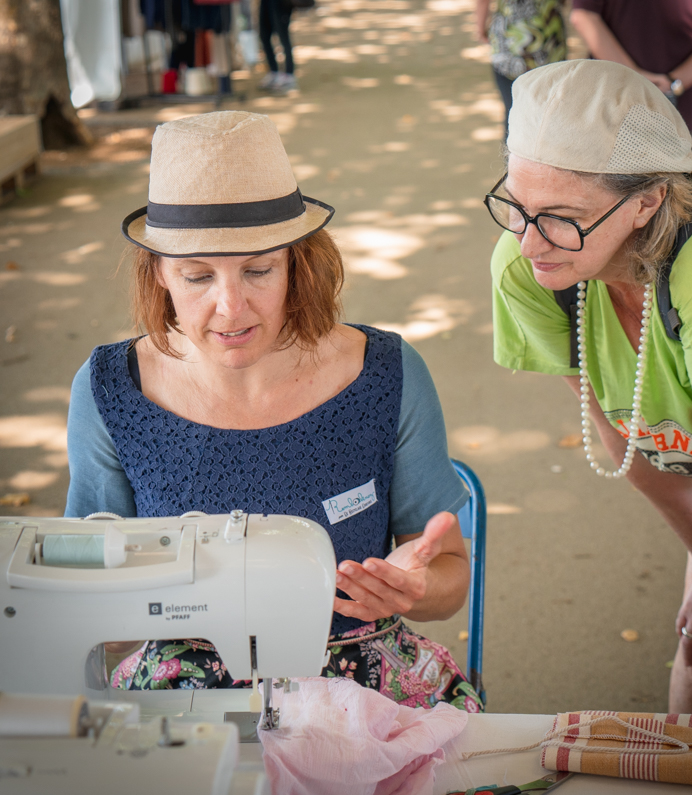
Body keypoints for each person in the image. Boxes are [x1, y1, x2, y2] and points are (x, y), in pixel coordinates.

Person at [65, 110, 483, 713]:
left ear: (298, 263)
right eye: (197, 275)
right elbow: (92, 614)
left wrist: (414, 590)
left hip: (358, 684)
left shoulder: (385, 373)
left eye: (258, 270)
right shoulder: (110, 391)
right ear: (158, 273)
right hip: (181, 695)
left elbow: (446, 579)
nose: (230, 307)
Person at [488, 59, 692, 715]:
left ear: (647, 201)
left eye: (559, 216)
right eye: (516, 205)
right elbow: (624, 438)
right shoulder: (532, 260)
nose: (526, 243)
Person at [569, 0, 692, 133]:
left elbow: (583, 15)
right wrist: (671, 83)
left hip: (619, 93)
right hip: (658, 98)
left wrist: (641, 80)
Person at [474, 0, 566, 138]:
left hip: (510, 43)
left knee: (513, 113)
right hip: (549, 42)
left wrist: (480, 28)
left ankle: (514, 157)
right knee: (549, 113)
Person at [258, 0, 296, 93]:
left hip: (281, 3)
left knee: (283, 35)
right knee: (264, 35)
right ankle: (273, 72)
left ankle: (289, 74)